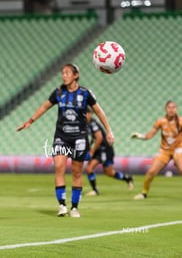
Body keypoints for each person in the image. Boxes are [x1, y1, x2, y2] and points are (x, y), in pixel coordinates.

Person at [17, 63, 114, 218]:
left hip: (79, 137)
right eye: (62, 73)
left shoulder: (85, 93)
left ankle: (74, 207)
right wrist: (30, 121)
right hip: (61, 136)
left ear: (76, 75)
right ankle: (62, 205)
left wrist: (109, 130)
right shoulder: (59, 92)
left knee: (76, 172)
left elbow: (99, 111)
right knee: (59, 167)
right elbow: (44, 107)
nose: (64, 75)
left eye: (67, 72)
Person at [131, 100, 182, 200]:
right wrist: (140, 136)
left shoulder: (180, 121)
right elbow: (150, 134)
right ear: (165, 109)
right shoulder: (161, 121)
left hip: (178, 149)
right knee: (151, 172)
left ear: (176, 109)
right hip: (165, 151)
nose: (171, 110)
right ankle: (144, 193)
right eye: (169, 107)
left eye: (173, 107)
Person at [85, 108, 133, 196]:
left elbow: (99, 138)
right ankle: (95, 190)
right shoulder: (86, 124)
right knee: (89, 169)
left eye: (86, 113)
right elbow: (93, 138)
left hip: (105, 150)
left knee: (109, 172)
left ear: (90, 114)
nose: (85, 116)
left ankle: (127, 178)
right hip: (99, 150)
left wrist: (92, 151)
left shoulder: (93, 124)